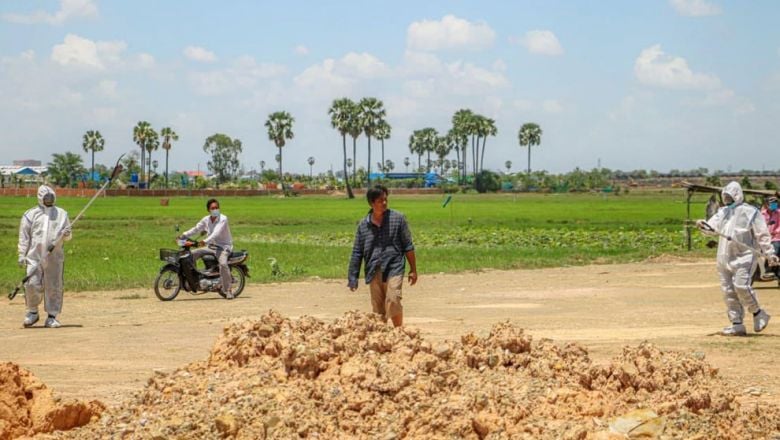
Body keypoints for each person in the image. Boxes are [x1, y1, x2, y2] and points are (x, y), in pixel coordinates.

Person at [697, 181, 775, 336]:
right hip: (724, 256)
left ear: (737, 195)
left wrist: (769, 252)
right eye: (725, 196)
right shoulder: (723, 212)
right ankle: (736, 323)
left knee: (741, 286)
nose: (727, 199)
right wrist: (704, 226)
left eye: (729, 196)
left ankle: (758, 313)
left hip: (744, 256)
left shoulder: (750, 212)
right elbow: (712, 228)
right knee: (728, 291)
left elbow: (762, 234)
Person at [348, 185, 417, 327]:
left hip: (394, 267)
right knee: (378, 309)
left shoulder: (398, 219)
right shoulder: (363, 226)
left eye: (386, 200)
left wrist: (413, 269)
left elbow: (408, 246)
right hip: (374, 270)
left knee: (393, 299)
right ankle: (382, 338)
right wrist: (353, 277)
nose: (384, 203)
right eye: (380, 201)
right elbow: (357, 252)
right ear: (371, 203)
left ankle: (399, 332)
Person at [18, 185, 71, 328]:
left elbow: (68, 236)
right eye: (46, 197)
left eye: (51, 197)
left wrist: (66, 234)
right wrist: (22, 254)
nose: (49, 200)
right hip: (34, 257)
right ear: (40, 198)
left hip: (54, 257)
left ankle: (52, 316)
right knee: (31, 284)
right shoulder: (30, 215)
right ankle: (33, 312)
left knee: (54, 285)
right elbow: (24, 237)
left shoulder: (61, 214)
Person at [180, 198, 234, 299]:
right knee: (191, 255)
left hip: (223, 247)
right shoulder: (206, 219)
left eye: (217, 208)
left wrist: (205, 241)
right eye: (213, 208)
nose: (215, 210)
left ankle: (228, 290)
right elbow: (196, 229)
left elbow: (216, 233)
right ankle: (195, 280)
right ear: (208, 210)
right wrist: (183, 235)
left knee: (223, 264)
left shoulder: (223, 219)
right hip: (211, 246)